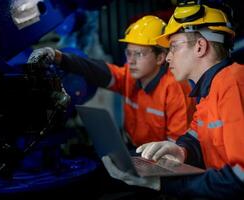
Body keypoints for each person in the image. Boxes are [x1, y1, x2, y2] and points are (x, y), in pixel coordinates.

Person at [101, 2, 244, 199]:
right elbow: (198, 135)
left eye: (174, 47)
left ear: (200, 47)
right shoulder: (208, 90)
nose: (168, 58)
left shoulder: (232, 84)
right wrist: (180, 150)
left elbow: (240, 178)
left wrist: (164, 184)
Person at [28, 15, 195, 147]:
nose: (131, 61)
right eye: (129, 53)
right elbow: (98, 70)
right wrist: (58, 57)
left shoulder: (175, 90)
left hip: (165, 167)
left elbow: (177, 150)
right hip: (136, 154)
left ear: (160, 57)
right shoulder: (131, 76)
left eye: (140, 54)